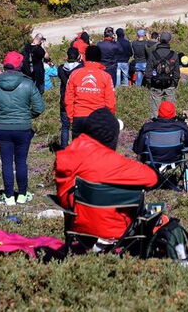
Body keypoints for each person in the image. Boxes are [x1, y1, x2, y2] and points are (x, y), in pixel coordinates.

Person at [55, 107, 158, 242]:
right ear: (111, 137)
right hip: (117, 229)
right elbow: (152, 178)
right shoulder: (114, 163)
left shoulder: (65, 156)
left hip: (77, 226)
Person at [0, 51, 46, 205]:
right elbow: (39, 107)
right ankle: (22, 195)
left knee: (6, 163)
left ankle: (9, 196)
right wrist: (26, 117)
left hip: (2, 128)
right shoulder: (28, 83)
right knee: (21, 162)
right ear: (20, 65)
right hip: (23, 128)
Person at [65, 45, 115, 138]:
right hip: (98, 118)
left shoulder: (75, 74)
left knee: (79, 150)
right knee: (96, 150)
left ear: (85, 57)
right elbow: (110, 102)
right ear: (100, 58)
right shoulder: (106, 76)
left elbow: (68, 98)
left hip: (78, 117)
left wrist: (71, 117)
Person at [144, 32, 179, 116]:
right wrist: (174, 83)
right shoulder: (174, 54)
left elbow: (148, 71)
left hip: (155, 85)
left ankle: (155, 124)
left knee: (155, 110)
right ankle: (171, 125)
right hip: (170, 84)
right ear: (169, 40)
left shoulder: (153, 54)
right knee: (170, 109)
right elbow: (176, 73)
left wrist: (150, 83)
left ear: (159, 39)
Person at [56, 48, 83, 149]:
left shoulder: (61, 69)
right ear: (77, 56)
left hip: (64, 99)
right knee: (77, 127)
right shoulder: (80, 68)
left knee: (65, 126)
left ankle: (64, 148)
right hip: (76, 99)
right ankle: (76, 148)